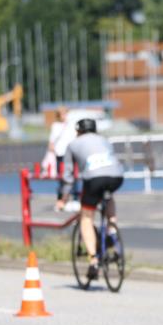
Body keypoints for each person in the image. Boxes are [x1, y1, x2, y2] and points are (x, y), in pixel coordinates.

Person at [56, 118, 124, 281]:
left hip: (93, 179)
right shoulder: (104, 140)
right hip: (116, 177)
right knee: (109, 197)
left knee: (86, 217)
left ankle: (93, 260)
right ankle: (112, 229)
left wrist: (63, 198)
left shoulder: (73, 144)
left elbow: (68, 176)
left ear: (78, 131)